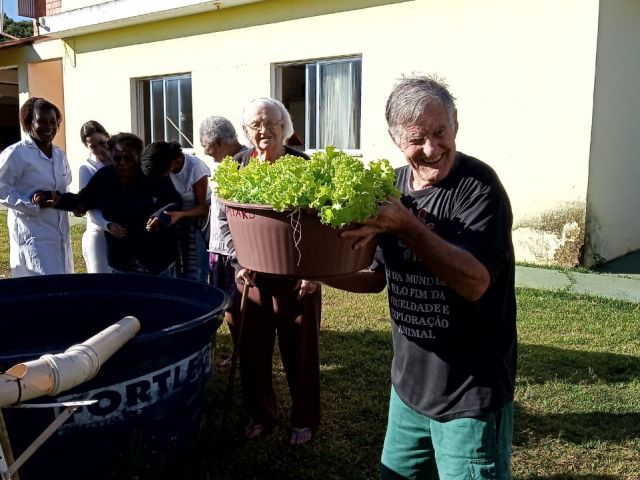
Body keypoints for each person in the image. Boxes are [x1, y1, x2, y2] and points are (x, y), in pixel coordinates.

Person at [328, 75, 517, 479]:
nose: (432, 149)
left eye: (440, 132)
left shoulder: (479, 188)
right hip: (409, 389)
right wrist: (312, 271)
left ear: (455, 126)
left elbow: (475, 282)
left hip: (471, 393)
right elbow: (375, 276)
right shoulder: (391, 188)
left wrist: (407, 226)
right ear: (396, 139)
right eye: (417, 138)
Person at [220, 98, 321, 445]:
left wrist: (314, 268)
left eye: (271, 123)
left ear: (284, 126)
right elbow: (224, 221)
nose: (264, 130)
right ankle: (261, 414)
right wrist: (238, 259)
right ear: (247, 131)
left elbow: (321, 223)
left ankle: (304, 418)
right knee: (252, 349)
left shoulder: (302, 165)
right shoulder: (235, 166)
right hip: (253, 274)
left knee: (301, 349)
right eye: (256, 125)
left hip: (298, 275)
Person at [34, 133, 180, 277]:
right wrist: (53, 198)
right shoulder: (105, 177)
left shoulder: (151, 173)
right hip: (122, 262)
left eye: (128, 158)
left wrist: (160, 217)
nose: (123, 162)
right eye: (117, 158)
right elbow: (82, 200)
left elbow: (174, 202)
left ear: (138, 156)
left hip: (157, 262)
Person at [0, 97, 73, 277]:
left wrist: (73, 204)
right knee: (41, 288)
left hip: (60, 234)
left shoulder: (59, 155)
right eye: (41, 121)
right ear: (29, 123)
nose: (49, 127)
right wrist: (31, 202)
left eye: (53, 122)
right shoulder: (17, 154)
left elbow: (65, 187)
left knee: (63, 286)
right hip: (33, 234)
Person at [199, 115, 249, 364]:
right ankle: (240, 352)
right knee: (229, 305)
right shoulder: (226, 165)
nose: (210, 156)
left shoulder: (248, 163)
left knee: (238, 305)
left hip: (235, 250)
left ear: (218, 142)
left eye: (209, 150)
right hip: (217, 247)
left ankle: (245, 352)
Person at [140, 140, 211, 282]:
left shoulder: (195, 168)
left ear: (173, 163)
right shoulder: (164, 168)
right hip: (176, 218)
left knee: (197, 268)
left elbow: (202, 208)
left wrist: (181, 215)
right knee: (179, 269)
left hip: (199, 219)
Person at [78, 120, 112, 273]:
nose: (100, 149)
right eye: (93, 146)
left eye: (102, 143)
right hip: (99, 232)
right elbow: (89, 206)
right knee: (101, 280)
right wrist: (107, 225)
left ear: (108, 137)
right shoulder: (87, 169)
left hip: (124, 231)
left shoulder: (123, 161)